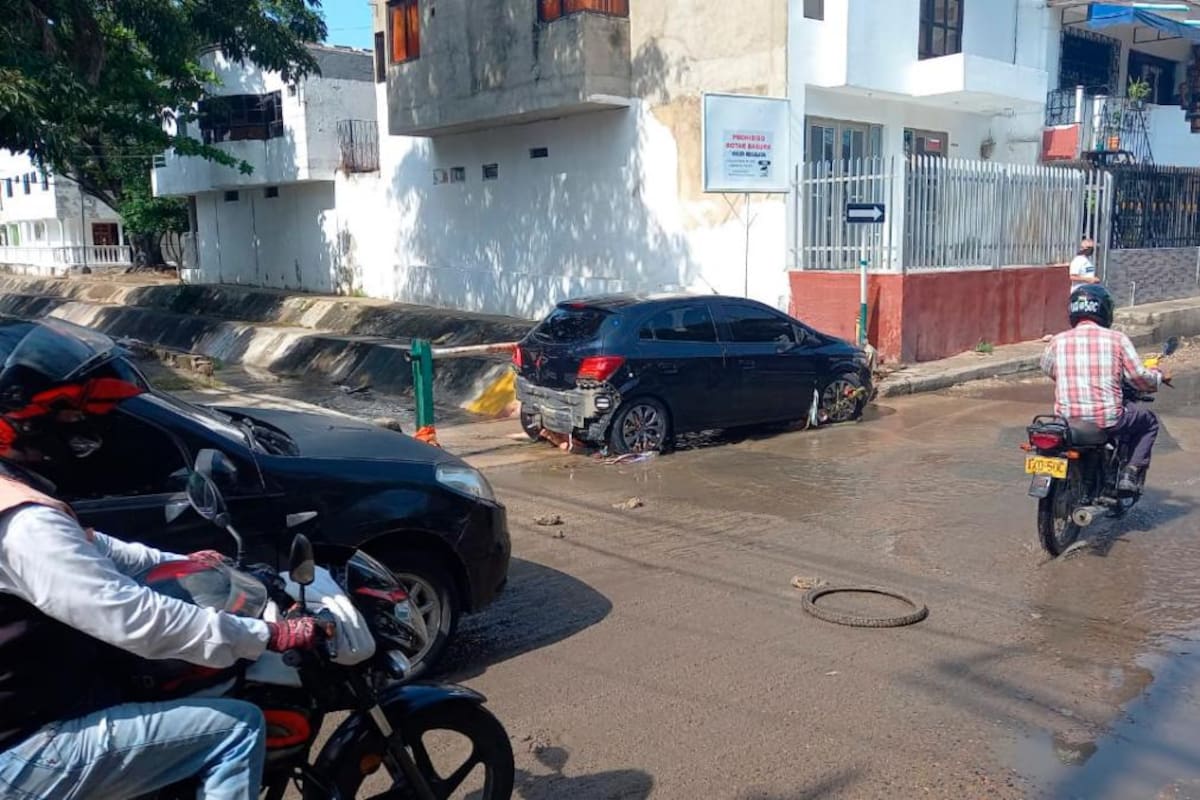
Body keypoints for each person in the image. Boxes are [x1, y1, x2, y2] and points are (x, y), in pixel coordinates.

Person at [0, 321, 322, 799]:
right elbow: (133, 618)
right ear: (31, 423)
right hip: (25, 746)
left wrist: (189, 560)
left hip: (39, 701)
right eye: (75, 418)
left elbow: (100, 549)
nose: (91, 430)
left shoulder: (14, 492)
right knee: (238, 729)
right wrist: (265, 635)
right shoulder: (28, 525)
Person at [1041, 284, 1168, 494]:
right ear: (1105, 311)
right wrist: (1160, 377)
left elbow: (1048, 368)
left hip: (1065, 419)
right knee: (1149, 422)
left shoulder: (1057, 341)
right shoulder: (1117, 340)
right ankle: (1131, 472)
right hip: (1107, 419)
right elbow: (1139, 378)